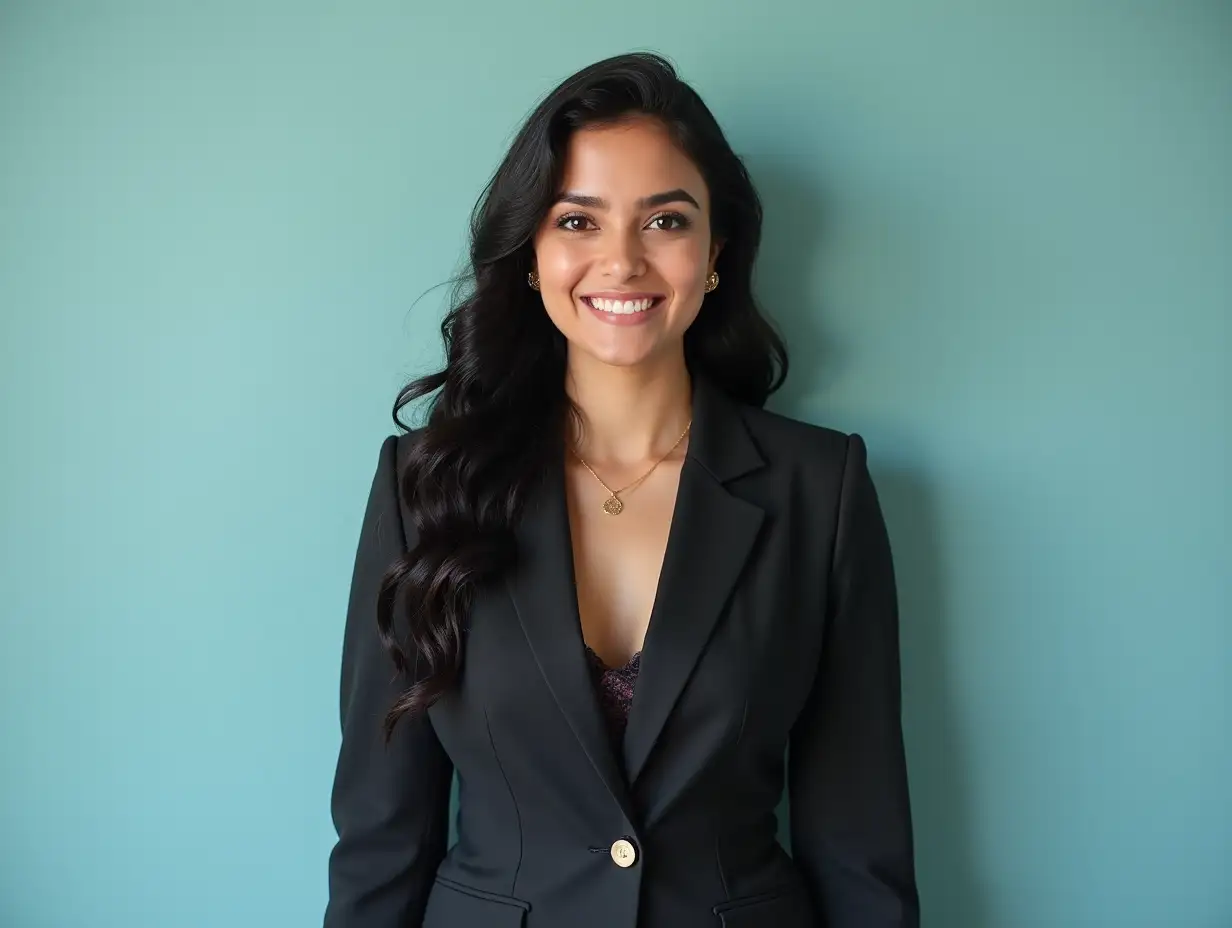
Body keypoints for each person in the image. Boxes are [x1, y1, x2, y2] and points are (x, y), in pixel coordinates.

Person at [323, 52, 919, 928]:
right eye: (578, 221)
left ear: (716, 253)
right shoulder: (423, 490)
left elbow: (861, 841)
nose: (622, 261)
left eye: (665, 221)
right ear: (531, 252)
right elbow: (382, 835)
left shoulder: (820, 491)